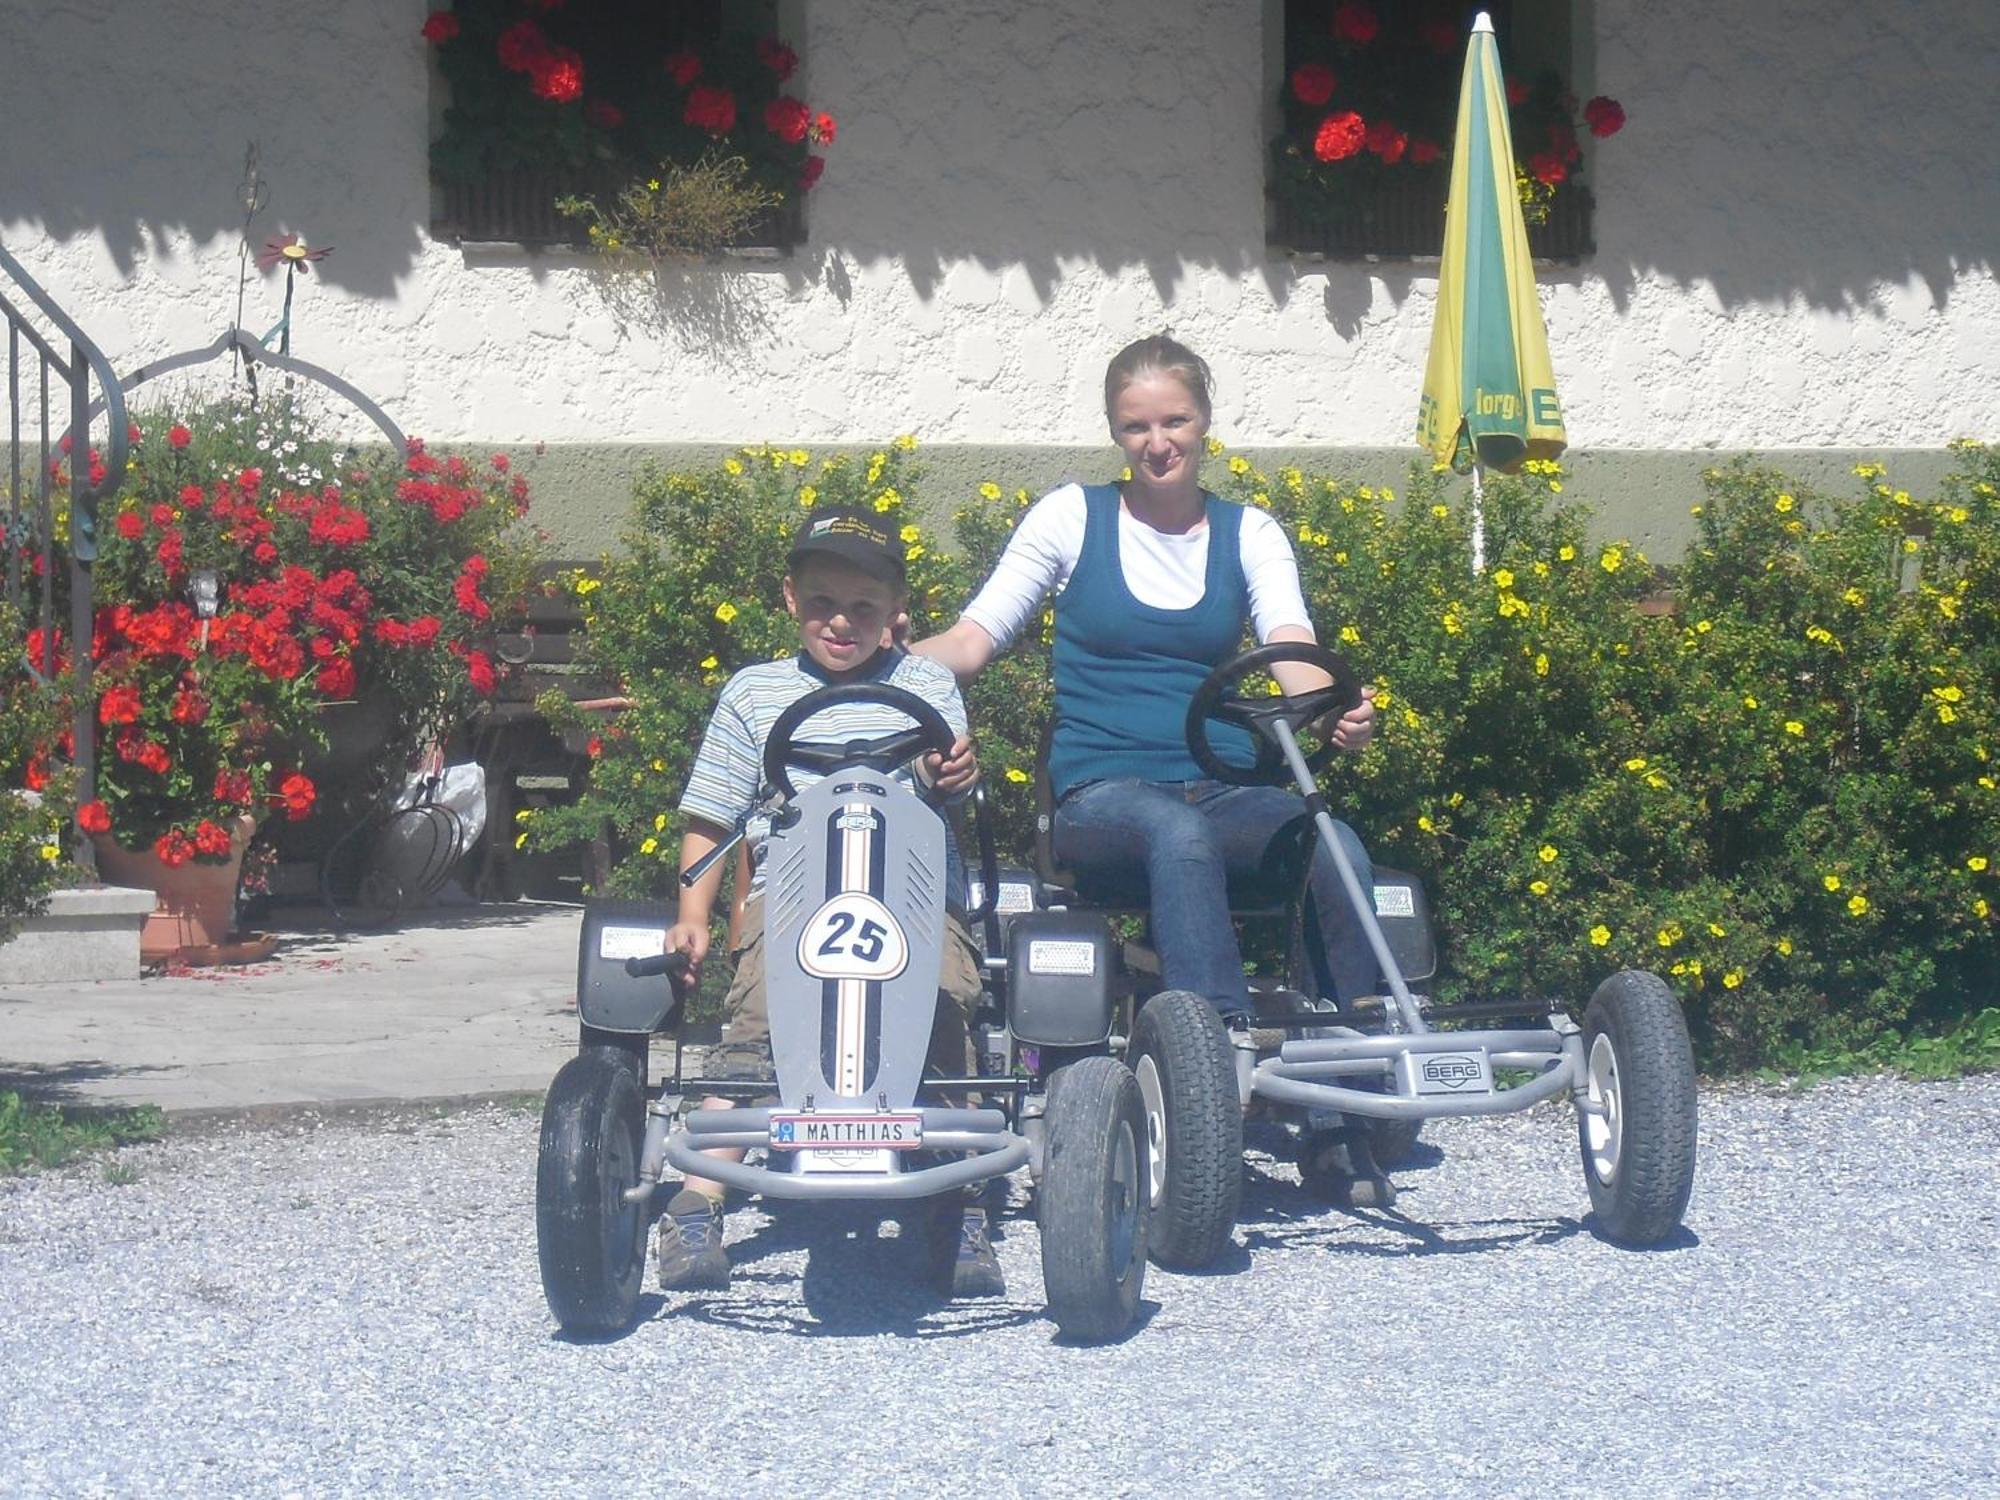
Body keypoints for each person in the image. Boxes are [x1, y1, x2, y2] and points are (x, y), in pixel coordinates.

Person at [911, 334, 1379, 1023]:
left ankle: (1350, 1050)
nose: (1157, 442)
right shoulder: (1071, 517)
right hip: (1101, 796)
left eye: (1174, 421)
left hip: (1224, 790)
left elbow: (1289, 641)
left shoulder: (1250, 533)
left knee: (1333, 844)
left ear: (1204, 421)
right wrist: (886, 662)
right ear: (1116, 433)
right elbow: (973, 640)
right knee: (1176, 831)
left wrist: (1335, 704)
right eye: (1137, 426)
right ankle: (1215, 1041)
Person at [657, 505, 1005, 1298]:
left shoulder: (925, 684)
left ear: (895, 614)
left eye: (862, 607)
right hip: (792, 890)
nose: (840, 622)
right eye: (822, 603)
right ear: (790, 599)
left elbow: (947, 772)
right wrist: (692, 915)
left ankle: (958, 1199)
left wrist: (951, 774)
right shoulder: (756, 693)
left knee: (942, 1004)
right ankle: (701, 1195)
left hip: (911, 893)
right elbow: (711, 815)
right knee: (763, 1012)